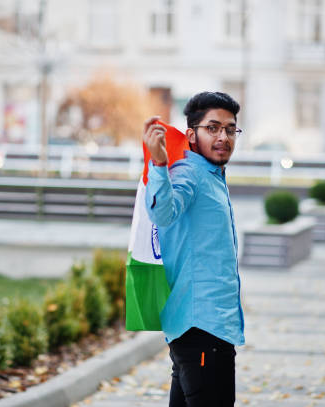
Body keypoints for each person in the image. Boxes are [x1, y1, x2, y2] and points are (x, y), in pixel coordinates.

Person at [142, 91, 245, 406]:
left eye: (229, 129)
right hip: (203, 330)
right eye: (212, 128)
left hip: (205, 329)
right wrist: (159, 162)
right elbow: (163, 212)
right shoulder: (189, 172)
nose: (222, 136)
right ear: (191, 134)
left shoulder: (212, 175)